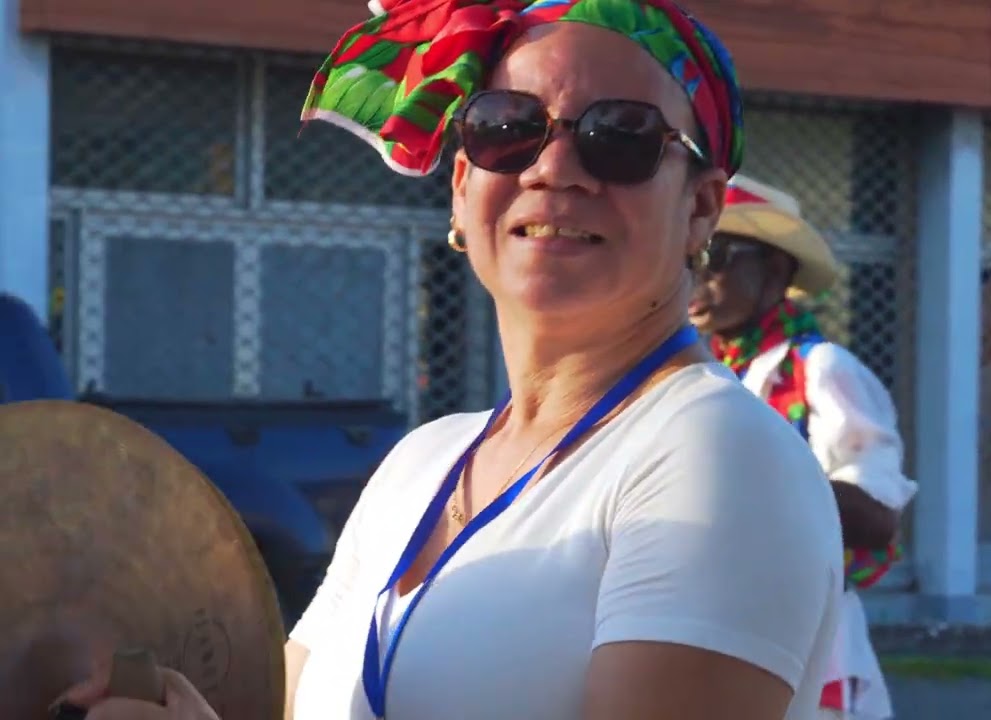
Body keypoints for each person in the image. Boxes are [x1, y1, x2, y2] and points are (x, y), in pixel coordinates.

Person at [59, 1, 846, 719]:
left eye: (622, 137)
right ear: (463, 186)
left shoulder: (714, 452)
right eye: (506, 126)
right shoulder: (422, 462)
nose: (551, 167)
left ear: (701, 208)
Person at [688, 175, 919, 720]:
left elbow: (877, 517)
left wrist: (748, 478)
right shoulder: (710, 374)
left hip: (805, 633)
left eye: (716, 256)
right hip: (718, 625)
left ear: (774, 269)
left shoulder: (819, 369)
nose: (697, 275)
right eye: (689, 256)